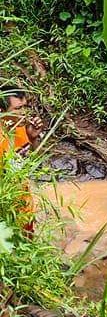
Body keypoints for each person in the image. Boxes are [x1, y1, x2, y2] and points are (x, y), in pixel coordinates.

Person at [0, 87, 44, 234]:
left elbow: (36, 165)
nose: (24, 112)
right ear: (2, 110)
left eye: (25, 106)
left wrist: (33, 138)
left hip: (25, 209)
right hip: (6, 215)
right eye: (18, 108)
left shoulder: (22, 130)